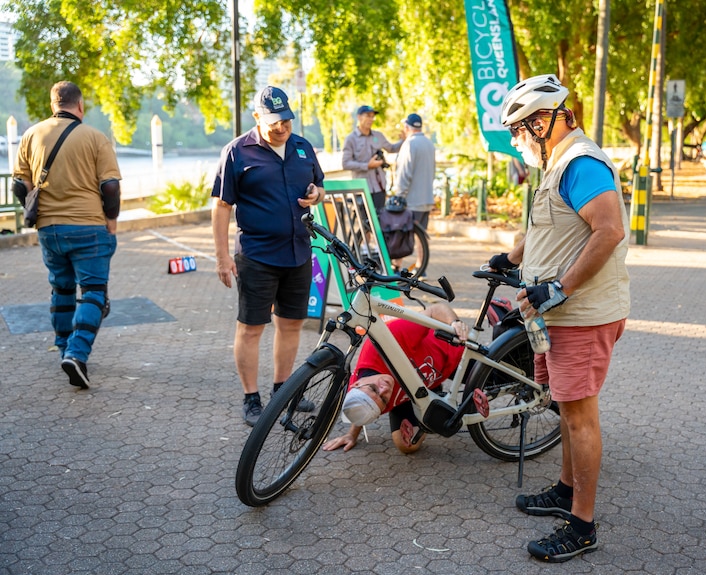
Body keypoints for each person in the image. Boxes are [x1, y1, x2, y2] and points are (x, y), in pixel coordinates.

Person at [491, 74, 630, 563]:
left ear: (541, 122)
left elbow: (608, 230)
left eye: (517, 131)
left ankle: (583, 525)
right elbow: (553, 226)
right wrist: (510, 259)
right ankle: (566, 490)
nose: (516, 141)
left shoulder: (581, 163)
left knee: (579, 415)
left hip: (582, 314)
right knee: (566, 408)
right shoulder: (558, 165)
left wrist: (560, 287)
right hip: (557, 315)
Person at [211, 85, 325, 427]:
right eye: (274, 121)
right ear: (257, 118)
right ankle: (251, 399)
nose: (281, 128)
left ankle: (282, 392)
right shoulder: (237, 152)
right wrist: (220, 256)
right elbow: (221, 206)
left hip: (298, 252)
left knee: (291, 324)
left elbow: (320, 186)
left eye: (286, 120)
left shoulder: (303, 147)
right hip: (257, 256)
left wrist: (316, 195)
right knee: (251, 329)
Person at [12, 81, 121, 390]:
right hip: (88, 226)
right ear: (80, 105)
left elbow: (19, 186)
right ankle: (77, 352)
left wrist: (37, 212)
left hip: (49, 229)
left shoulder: (32, 134)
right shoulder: (96, 138)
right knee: (93, 292)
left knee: (61, 289)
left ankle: (64, 349)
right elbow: (110, 187)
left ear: (53, 105)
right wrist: (111, 221)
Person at [322, 303, 469, 454]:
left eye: (374, 388)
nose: (385, 388)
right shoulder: (365, 393)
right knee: (406, 444)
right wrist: (351, 435)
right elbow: (361, 404)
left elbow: (435, 309)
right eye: (384, 399)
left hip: (454, 356)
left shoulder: (388, 340)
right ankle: (431, 400)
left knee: (492, 381)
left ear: (358, 383)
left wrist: (455, 323)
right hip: (412, 394)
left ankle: (432, 396)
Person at [341, 105, 403, 210]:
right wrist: (367, 165)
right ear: (359, 117)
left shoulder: (378, 136)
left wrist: (404, 140)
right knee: (365, 223)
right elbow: (345, 163)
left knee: (379, 220)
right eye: (368, 116)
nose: (371, 119)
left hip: (379, 187)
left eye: (372, 116)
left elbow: (392, 149)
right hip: (361, 189)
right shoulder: (351, 139)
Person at [393, 113, 436, 230]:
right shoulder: (430, 144)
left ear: (407, 127)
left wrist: (399, 196)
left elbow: (404, 173)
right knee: (422, 240)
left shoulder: (409, 144)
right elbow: (433, 172)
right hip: (426, 200)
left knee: (408, 241)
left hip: (411, 202)